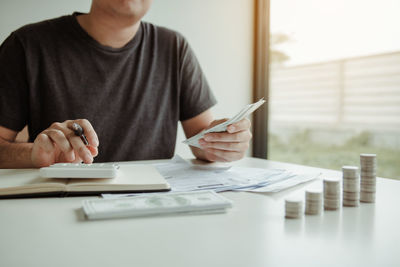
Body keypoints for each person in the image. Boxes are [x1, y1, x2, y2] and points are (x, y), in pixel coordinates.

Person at [0, 0, 252, 168]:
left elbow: (201, 140)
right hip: (60, 207)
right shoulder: (26, 45)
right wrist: (35, 155)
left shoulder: (173, 47)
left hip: (153, 209)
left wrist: (223, 143)